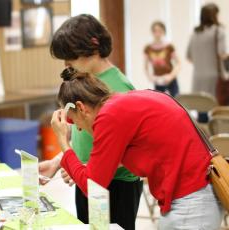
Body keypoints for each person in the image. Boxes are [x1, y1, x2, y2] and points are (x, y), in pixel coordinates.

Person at [51, 70, 223, 229]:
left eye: (73, 121)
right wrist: (80, 168)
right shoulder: (123, 103)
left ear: (81, 108)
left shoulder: (109, 116)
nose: (78, 129)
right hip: (193, 197)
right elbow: (115, 162)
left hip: (191, 203)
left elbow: (92, 185)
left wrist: (63, 141)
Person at [39, 14, 142, 230]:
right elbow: (83, 135)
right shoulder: (86, 83)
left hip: (117, 185)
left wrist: (85, 167)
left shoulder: (119, 88)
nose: (67, 65)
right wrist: (58, 162)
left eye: (71, 58)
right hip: (88, 178)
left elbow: (130, 150)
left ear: (93, 48)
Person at [187, 3, 228, 104]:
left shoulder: (195, 33)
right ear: (215, 15)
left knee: (202, 107)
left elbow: (189, 57)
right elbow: (222, 54)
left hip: (197, 77)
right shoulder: (219, 31)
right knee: (218, 109)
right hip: (215, 78)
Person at [144, 21, 180, 96]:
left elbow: (178, 63)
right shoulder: (148, 48)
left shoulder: (169, 47)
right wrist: (150, 77)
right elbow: (146, 66)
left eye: (159, 31)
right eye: (155, 31)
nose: (157, 34)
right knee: (159, 101)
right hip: (158, 81)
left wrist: (171, 76)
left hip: (170, 79)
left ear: (164, 32)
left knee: (175, 101)